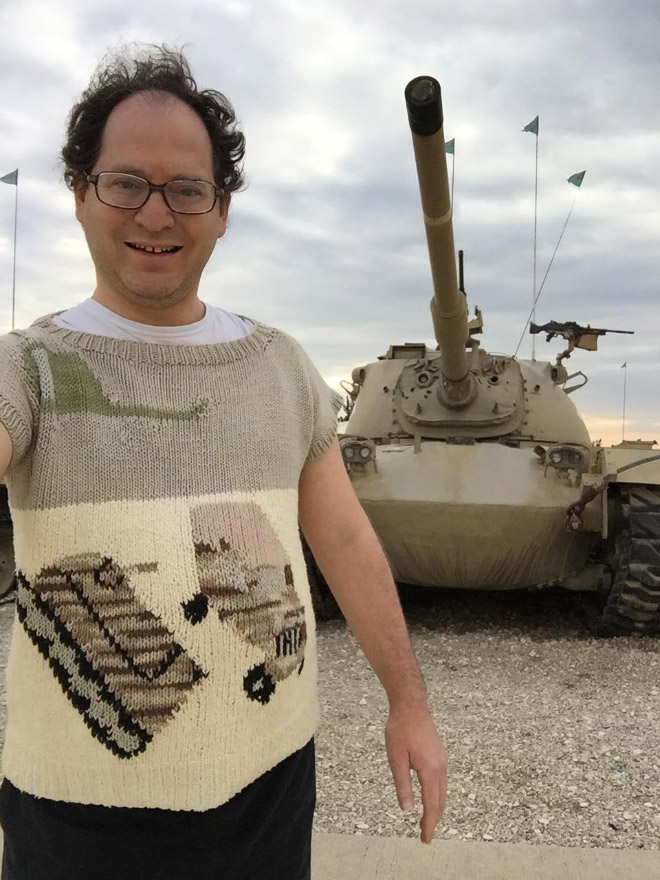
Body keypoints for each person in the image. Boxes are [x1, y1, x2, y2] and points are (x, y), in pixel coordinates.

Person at [0, 44, 447, 880]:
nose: (156, 215)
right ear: (80, 195)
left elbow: (345, 541)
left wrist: (409, 704)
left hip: (270, 793)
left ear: (223, 209)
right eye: (125, 183)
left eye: (186, 190)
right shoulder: (26, 369)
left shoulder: (282, 367)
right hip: (79, 814)